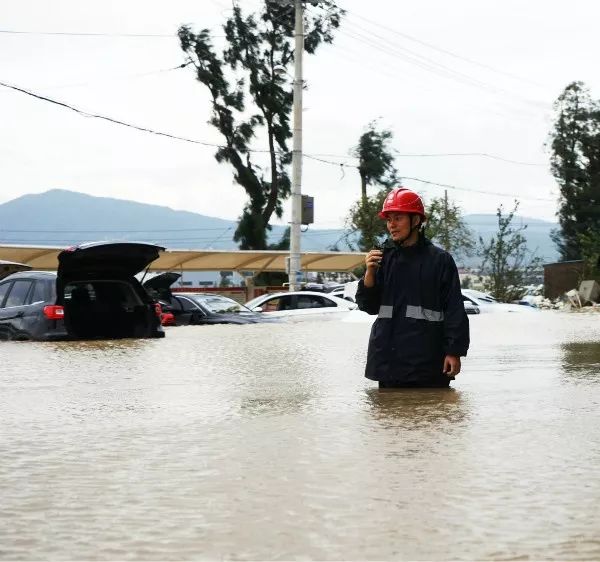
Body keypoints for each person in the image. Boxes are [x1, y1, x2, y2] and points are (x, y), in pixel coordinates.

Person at [355, 187, 470, 388]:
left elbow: (454, 309)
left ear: (416, 221)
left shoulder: (440, 261)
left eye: (398, 218)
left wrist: (454, 351)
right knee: (387, 419)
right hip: (388, 364)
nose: (392, 225)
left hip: (427, 365)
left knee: (430, 417)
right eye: (389, 219)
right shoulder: (382, 258)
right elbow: (369, 307)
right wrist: (369, 273)